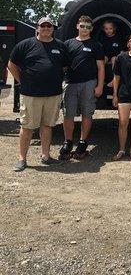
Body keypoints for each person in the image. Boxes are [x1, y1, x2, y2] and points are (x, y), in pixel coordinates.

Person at [8, 17, 69, 171]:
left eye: (50, 26)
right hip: (31, 94)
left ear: (53, 28)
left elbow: (64, 67)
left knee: (47, 126)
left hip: (53, 94)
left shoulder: (60, 46)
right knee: (27, 127)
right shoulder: (26, 45)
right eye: (43, 25)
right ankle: (22, 158)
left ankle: (46, 156)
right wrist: (22, 81)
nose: (47, 28)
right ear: (37, 27)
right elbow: (12, 64)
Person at [60, 16, 105, 160]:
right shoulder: (68, 44)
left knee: (87, 113)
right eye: (83, 26)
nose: (85, 29)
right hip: (71, 83)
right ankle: (68, 141)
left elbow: (101, 67)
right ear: (77, 26)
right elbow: (63, 65)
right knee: (68, 114)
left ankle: (82, 141)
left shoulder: (96, 45)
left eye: (88, 27)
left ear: (91, 29)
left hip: (89, 83)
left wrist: (99, 86)